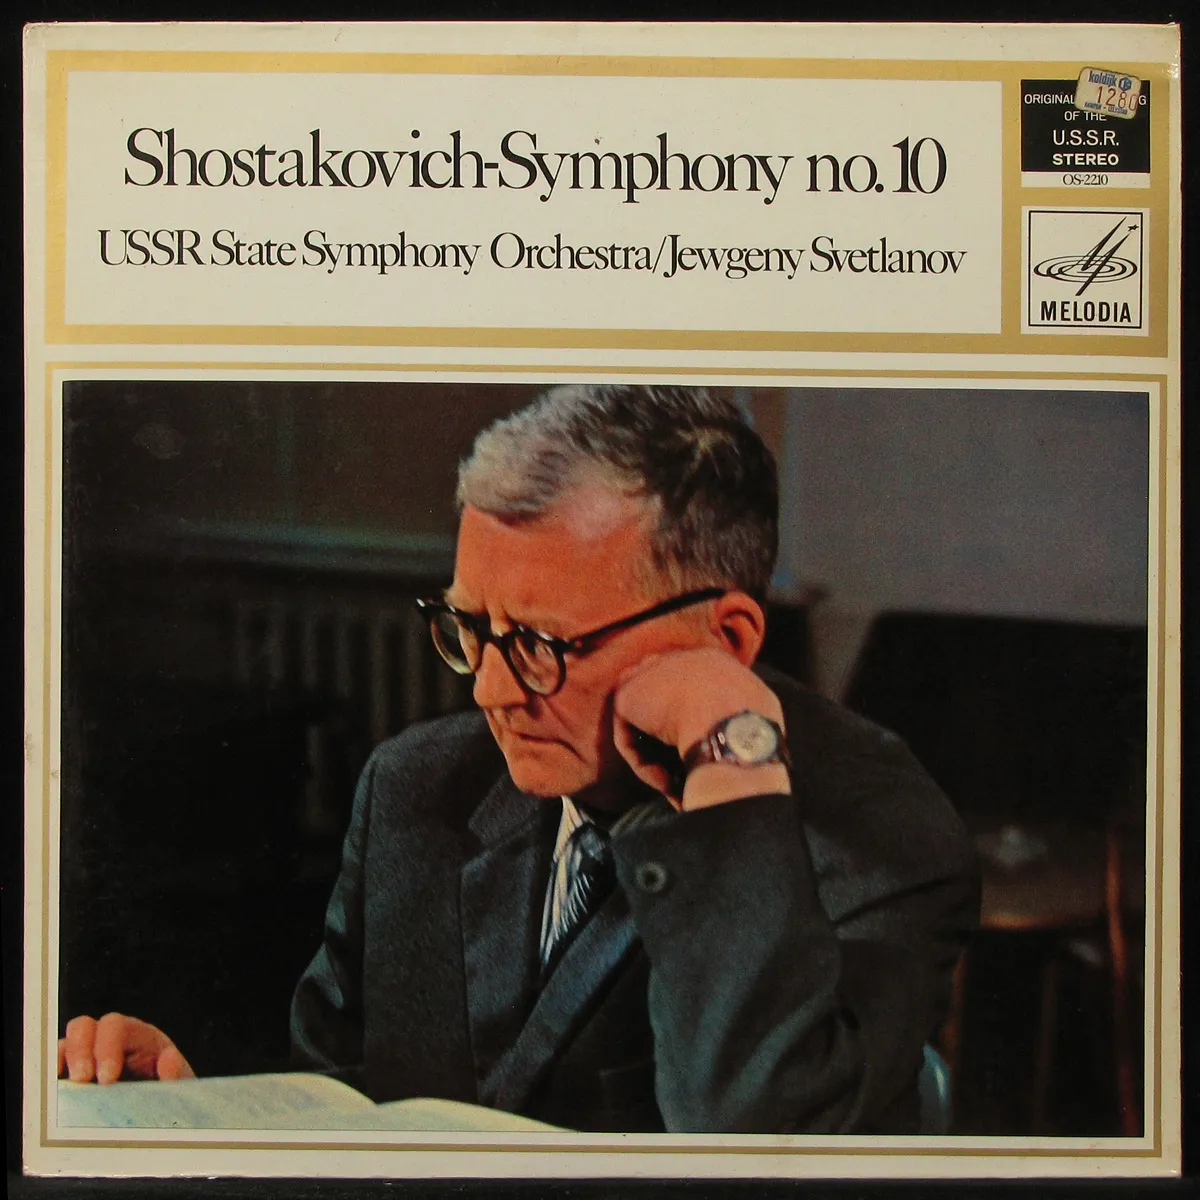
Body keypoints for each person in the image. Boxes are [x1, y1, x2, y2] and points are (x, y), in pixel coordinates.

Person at [60, 385, 977, 1133]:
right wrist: (197, 1110)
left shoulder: (883, 836)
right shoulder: (416, 785)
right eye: (470, 626)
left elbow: (755, 1140)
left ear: (726, 639)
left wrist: (730, 769)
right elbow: (339, 1099)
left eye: (541, 644)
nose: (491, 691)